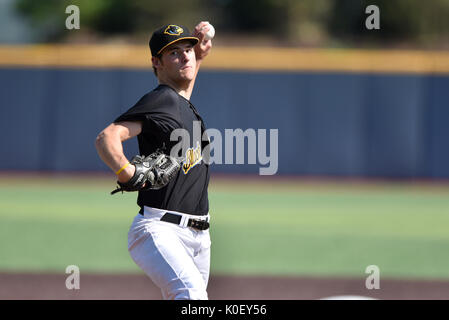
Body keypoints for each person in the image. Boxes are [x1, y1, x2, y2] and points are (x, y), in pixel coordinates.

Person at [95, 22, 213, 300]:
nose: (185, 56)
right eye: (174, 53)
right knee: (192, 297)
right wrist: (126, 172)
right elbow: (107, 137)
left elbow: (185, 84)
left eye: (188, 50)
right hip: (160, 229)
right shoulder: (161, 100)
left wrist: (200, 56)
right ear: (156, 62)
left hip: (198, 236)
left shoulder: (181, 102)